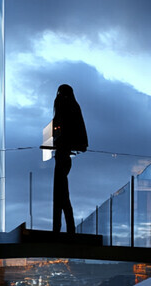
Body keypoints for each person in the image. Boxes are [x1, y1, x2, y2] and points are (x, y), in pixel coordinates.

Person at [52, 84, 88, 233]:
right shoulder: (73, 107)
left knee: (60, 195)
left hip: (62, 154)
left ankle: (60, 228)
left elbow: (61, 131)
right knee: (62, 195)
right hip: (64, 155)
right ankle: (67, 228)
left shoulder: (65, 107)